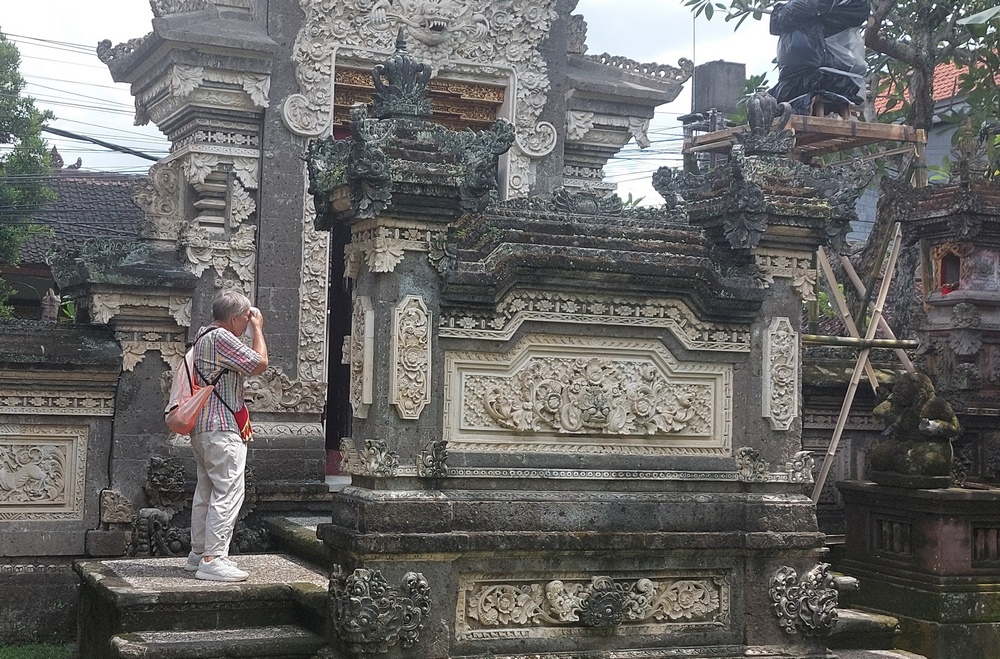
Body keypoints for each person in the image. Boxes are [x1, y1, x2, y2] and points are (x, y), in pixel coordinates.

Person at [184, 291, 268, 582]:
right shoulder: (222, 337)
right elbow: (259, 363)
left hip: (204, 426)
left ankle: (198, 554)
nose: (247, 322)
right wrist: (258, 328)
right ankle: (213, 559)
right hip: (221, 426)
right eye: (244, 318)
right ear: (233, 319)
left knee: (206, 492)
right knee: (229, 491)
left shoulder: (203, 335)